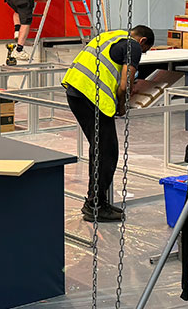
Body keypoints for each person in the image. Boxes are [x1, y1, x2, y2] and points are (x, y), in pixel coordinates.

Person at [63, 25, 155, 222]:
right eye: (145, 51)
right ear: (143, 41)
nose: (142, 54)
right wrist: (122, 105)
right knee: (107, 150)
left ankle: (97, 201)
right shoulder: (134, 47)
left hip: (75, 90)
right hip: (91, 96)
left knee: (99, 147)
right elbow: (125, 84)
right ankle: (94, 205)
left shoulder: (111, 36)